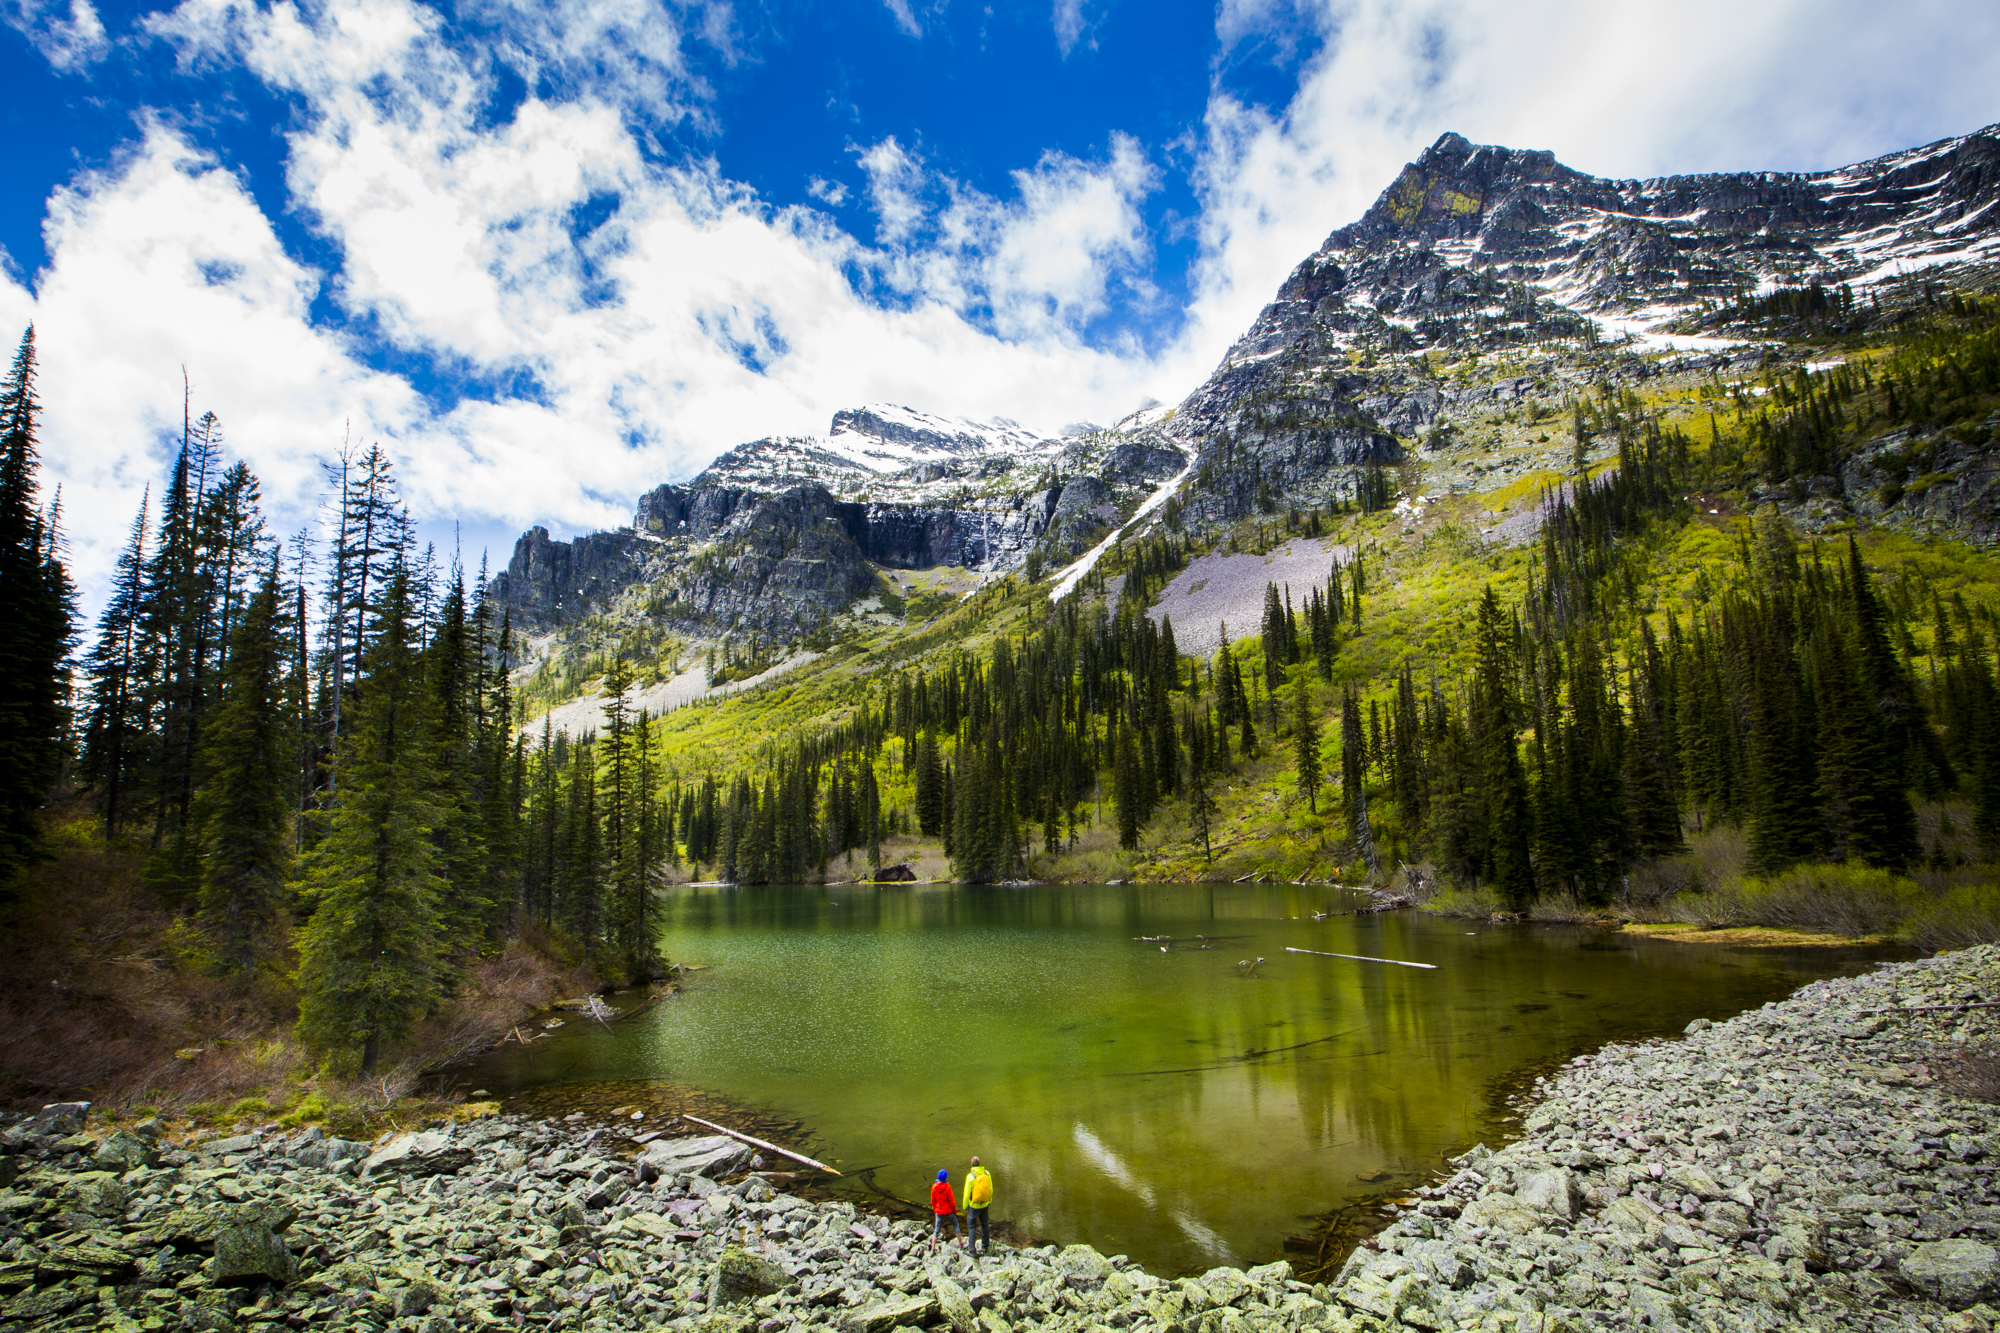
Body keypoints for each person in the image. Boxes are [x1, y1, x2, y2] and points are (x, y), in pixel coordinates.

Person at [963, 1156, 993, 1256]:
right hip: (984, 1204)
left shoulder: (970, 1176)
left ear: (971, 1164)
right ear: (980, 1163)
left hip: (974, 1206)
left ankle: (972, 1250)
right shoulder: (987, 1173)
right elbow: (990, 1189)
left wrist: (965, 1206)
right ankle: (985, 1247)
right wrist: (989, 1201)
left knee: (972, 1227)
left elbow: (967, 1193)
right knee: (985, 1225)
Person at [929, 1169, 962, 1250]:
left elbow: (933, 1201)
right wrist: (954, 1211)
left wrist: (935, 1210)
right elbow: (952, 1202)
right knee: (956, 1225)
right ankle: (961, 1243)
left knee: (936, 1230)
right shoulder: (948, 1187)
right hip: (948, 1211)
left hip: (938, 1211)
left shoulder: (934, 1187)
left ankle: (933, 1248)